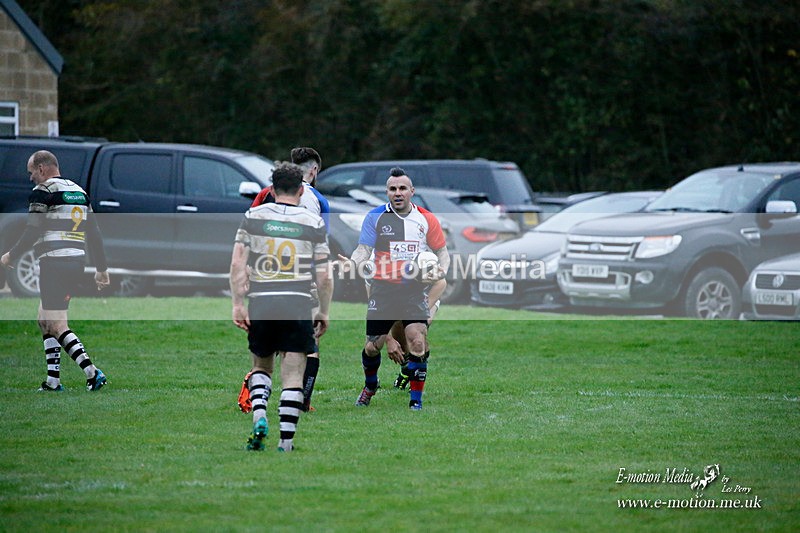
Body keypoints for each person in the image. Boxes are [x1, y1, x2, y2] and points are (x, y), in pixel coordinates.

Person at [230, 162, 332, 452]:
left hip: (262, 299)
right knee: (293, 374)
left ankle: (259, 415)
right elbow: (324, 275)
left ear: (272, 190)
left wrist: (238, 303)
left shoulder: (253, 216)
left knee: (261, 365)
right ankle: (285, 443)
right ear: (301, 190)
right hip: (297, 301)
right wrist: (323, 311)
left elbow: (238, 263)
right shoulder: (312, 222)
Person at [339, 167, 450, 410]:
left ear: (412, 191)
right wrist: (352, 262)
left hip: (413, 290)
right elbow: (363, 250)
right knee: (372, 347)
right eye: (392, 189)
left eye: (402, 188)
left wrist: (441, 269)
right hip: (383, 289)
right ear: (387, 192)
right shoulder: (375, 217)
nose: (397, 193)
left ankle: (415, 401)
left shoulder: (426, 219)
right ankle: (370, 385)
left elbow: (442, 252)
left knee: (417, 341)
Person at [1, 150, 110, 392]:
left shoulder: (44, 191)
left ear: (41, 169)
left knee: (57, 324)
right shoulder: (79, 191)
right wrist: (101, 269)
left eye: (31, 173)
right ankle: (53, 381)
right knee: (44, 319)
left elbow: (32, 230)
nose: (30, 178)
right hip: (75, 262)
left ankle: (92, 372)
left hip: (54, 263)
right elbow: (94, 234)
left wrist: (11, 255)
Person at [249, 147, 329, 412]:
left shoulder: (263, 198)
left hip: (264, 283)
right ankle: (302, 400)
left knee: (263, 353)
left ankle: (256, 397)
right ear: (313, 171)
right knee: (308, 345)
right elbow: (321, 250)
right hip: (301, 285)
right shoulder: (317, 200)